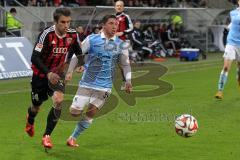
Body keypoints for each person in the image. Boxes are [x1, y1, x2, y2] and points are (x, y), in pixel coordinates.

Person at [65, 14, 132, 147]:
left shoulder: (120, 44)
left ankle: (72, 138)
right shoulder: (92, 39)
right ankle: (78, 108)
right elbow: (77, 55)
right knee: (74, 113)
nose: (115, 27)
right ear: (103, 25)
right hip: (87, 83)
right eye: (111, 23)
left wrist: (128, 80)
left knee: (91, 112)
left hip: (105, 86)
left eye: (116, 24)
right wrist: (70, 71)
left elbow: (125, 64)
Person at [24, 8, 83, 149]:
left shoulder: (73, 34)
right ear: (55, 22)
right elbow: (34, 57)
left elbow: (78, 52)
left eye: (69, 22)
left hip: (59, 74)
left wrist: (79, 65)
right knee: (36, 106)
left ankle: (47, 136)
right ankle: (30, 119)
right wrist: (48, 73)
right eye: (63, 22)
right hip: (41, 75)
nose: (66, 25)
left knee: (58, 100)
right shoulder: (47, 34)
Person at [215, 0, 240, 99]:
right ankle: (220, 91)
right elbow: (237, 20)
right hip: (231, 43)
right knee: (226, 67)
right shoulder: (233, 13)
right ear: (238, 2)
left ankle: (239, 81)